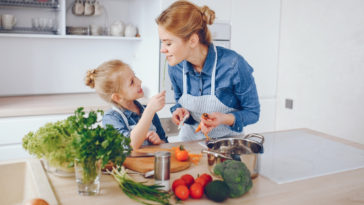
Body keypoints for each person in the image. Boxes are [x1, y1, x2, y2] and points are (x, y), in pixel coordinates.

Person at [156, 0, 260, 141]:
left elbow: (253, 113)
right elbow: (179, 102)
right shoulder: (175, 67)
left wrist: (224, 118)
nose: (163, 49)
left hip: (226, 144)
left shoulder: (233, 65)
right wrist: (179, 111)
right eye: (162, 42)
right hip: (190, 141)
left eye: (168, 43)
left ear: (192, 40)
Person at [85, 59, 168, 149]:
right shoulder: (112, 118)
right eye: (132, 82)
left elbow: (166, 143)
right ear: (118, 97)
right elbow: (129, 145)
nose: (139, 81)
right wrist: (149, 111)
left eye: (135, 76)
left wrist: (159, 142)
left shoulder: (148, 110)